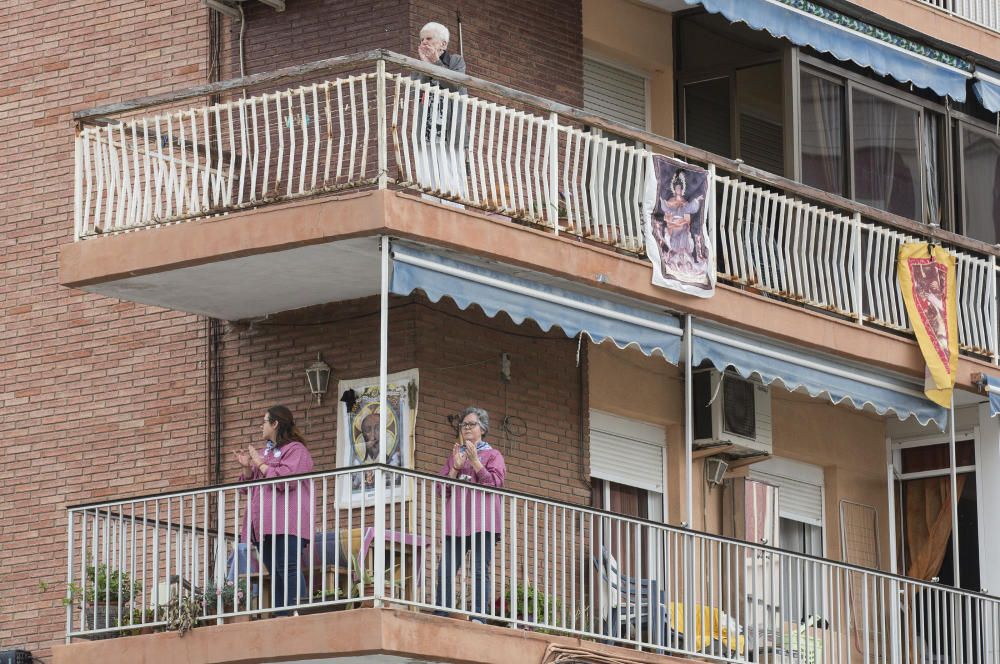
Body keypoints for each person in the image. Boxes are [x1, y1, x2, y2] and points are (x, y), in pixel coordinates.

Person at [234, 405, 315, 616]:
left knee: (287, 567)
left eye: (264, 421)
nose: (261, 425)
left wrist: (259, 463)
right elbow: (246, 489)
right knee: (275, 571)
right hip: (262, 524)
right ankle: (281, 616)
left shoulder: (296, 450)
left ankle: (297, 612)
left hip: (286, 522)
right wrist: (246, 467)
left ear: (275, 423)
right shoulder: (266, 452)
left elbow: (284, 482)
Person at [434, 406, 506, 622]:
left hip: (482, 521)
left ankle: (478, 616)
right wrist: (455, 469)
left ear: (482, 429)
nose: (466, 428)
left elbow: (495, 484)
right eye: (463, 425)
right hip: (456, 521)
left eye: (471, 424)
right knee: (446, 568)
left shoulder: (493, 455)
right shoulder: (455, 455)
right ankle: (441, 612)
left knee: (478, 570)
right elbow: (441, 489)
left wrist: (475, 461)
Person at [414, 21, 467, 199]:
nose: (424, 43)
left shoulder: (456, 61)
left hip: (449, 131)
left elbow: (454, 85)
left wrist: (435, 62)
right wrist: (424, 65)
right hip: (427, 130)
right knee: (427, 176)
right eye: (422, 40)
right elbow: (416, 90)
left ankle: (455, 212)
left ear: (443, 44)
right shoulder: (417, 65)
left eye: (429, 38)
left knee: (451, 175)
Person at [351, 407, 403, 491]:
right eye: (368, 430)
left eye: (378, 429)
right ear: (363, 435)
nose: (373, 436)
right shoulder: (357, 463)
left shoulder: (393, 460)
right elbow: (353, 485)